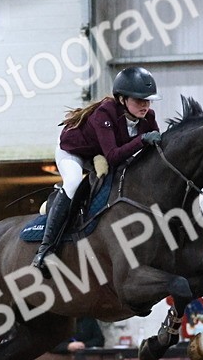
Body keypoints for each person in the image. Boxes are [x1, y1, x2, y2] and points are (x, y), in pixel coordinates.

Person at [33, 66, 162, 270]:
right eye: (139, 100)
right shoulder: (105, 113)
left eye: (148, 100)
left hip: (101, 152)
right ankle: (45, 249)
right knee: (73, 183)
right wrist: (142, 140)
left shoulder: (148, 117)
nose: (145, 105)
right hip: (75, 151)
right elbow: (113, 156)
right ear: (122, 99)